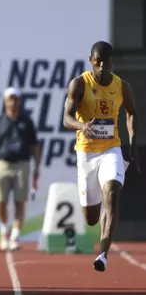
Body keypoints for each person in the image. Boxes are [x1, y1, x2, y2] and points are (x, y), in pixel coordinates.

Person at [63, 41, 139, 272]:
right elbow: (66, 118)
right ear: (91, 61)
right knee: (91, 218)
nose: (102, 67)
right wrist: (81, 125)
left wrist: (133, 141)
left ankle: (103, 254)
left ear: (112, 62)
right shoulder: (79, 84)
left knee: (113, 190)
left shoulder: (121, 86)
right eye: (98, 63)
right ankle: (103, 212)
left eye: (106, 63)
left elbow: (131, 113)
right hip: (86, 153)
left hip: (111, 149)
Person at [0, 87, 41, 251]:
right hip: (2, 164)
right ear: (5, 101)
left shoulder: (27, 122)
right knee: (0, 201)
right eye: (10, 99)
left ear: (19, 101)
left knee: (20, 201)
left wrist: (37, 167)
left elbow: (34, 146)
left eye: (15, 99)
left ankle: (15, 235)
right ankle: (4, 229)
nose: (13, 102)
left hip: (22, 164)